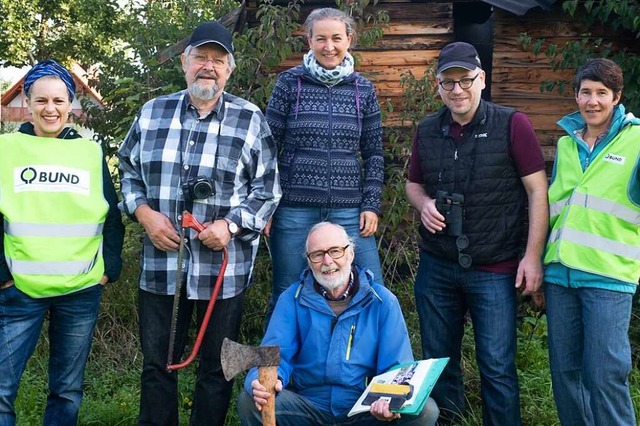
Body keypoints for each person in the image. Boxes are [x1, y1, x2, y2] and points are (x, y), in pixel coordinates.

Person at [117, 21, 281, 426]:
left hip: (224, 272)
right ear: (184, 63)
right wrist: (144, 213)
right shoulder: (152, 112)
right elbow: (127, 171)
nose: (209, 66)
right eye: (201, 57)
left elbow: (268, 189)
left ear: (230, 68)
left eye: (218, 60)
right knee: (158, 366)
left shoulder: (250, 119)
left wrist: (231, 225)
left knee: (217, 369)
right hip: (162, 267)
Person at [405, 42, 549, 425]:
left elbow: (537, 191)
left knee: (497, 366)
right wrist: (424, 205)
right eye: (447, 82)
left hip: (494, 266)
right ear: (437, 85)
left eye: (465, 80)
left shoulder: (512, 124)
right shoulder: (427, 129)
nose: (457, 90)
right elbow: (412, 185)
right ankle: (450, 421)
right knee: (438, 362)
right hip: (437, 266)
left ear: (481, 79)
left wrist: (532, 257)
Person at [0, 59, 124, 425]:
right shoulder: (6, 149)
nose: (50, 109)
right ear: (27, 100)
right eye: (41, 101)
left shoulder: (89, 151)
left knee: (67, 391)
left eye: (58, 100)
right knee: (2, 389)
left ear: (71, 103)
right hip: (19, 289)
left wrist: (109, 269)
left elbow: (111, 216)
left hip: (80, 290)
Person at [237, 222, 439, 426]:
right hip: (307, 407)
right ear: (309, 261)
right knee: (250, 402)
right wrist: (261, 382)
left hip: (364, 408)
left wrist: (388, 402)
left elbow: (397, 367)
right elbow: (272, 355)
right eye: (317, 254)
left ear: (350, 254)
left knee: (425, 411)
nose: (327, 261)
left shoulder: (382, 301)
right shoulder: (291, 299)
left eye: (335, 251)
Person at [265, 7, 384, 320]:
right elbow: (266, 150)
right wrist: (265, 206)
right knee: (287, 292)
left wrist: (371, 204)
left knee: (373, 288)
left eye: (336, 38)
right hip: (293, 209)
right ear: (309, 40)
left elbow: (373, 153)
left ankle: (380, 367)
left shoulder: (364, 90)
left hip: (349, 211)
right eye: (321, 39)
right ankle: (273, 369)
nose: (328, 46)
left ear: (349, 40)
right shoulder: (289, 84)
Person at [543, 58, 639, 425]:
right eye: (586, 92)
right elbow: (553, 209)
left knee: (605, 377)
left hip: (608, 278)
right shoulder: (567, 143)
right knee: (566, 376)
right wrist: (539, 261)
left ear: (617, 97)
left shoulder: (637, 140)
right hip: (560, 277)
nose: (592, 101)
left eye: (602, 93)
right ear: (576, 95)